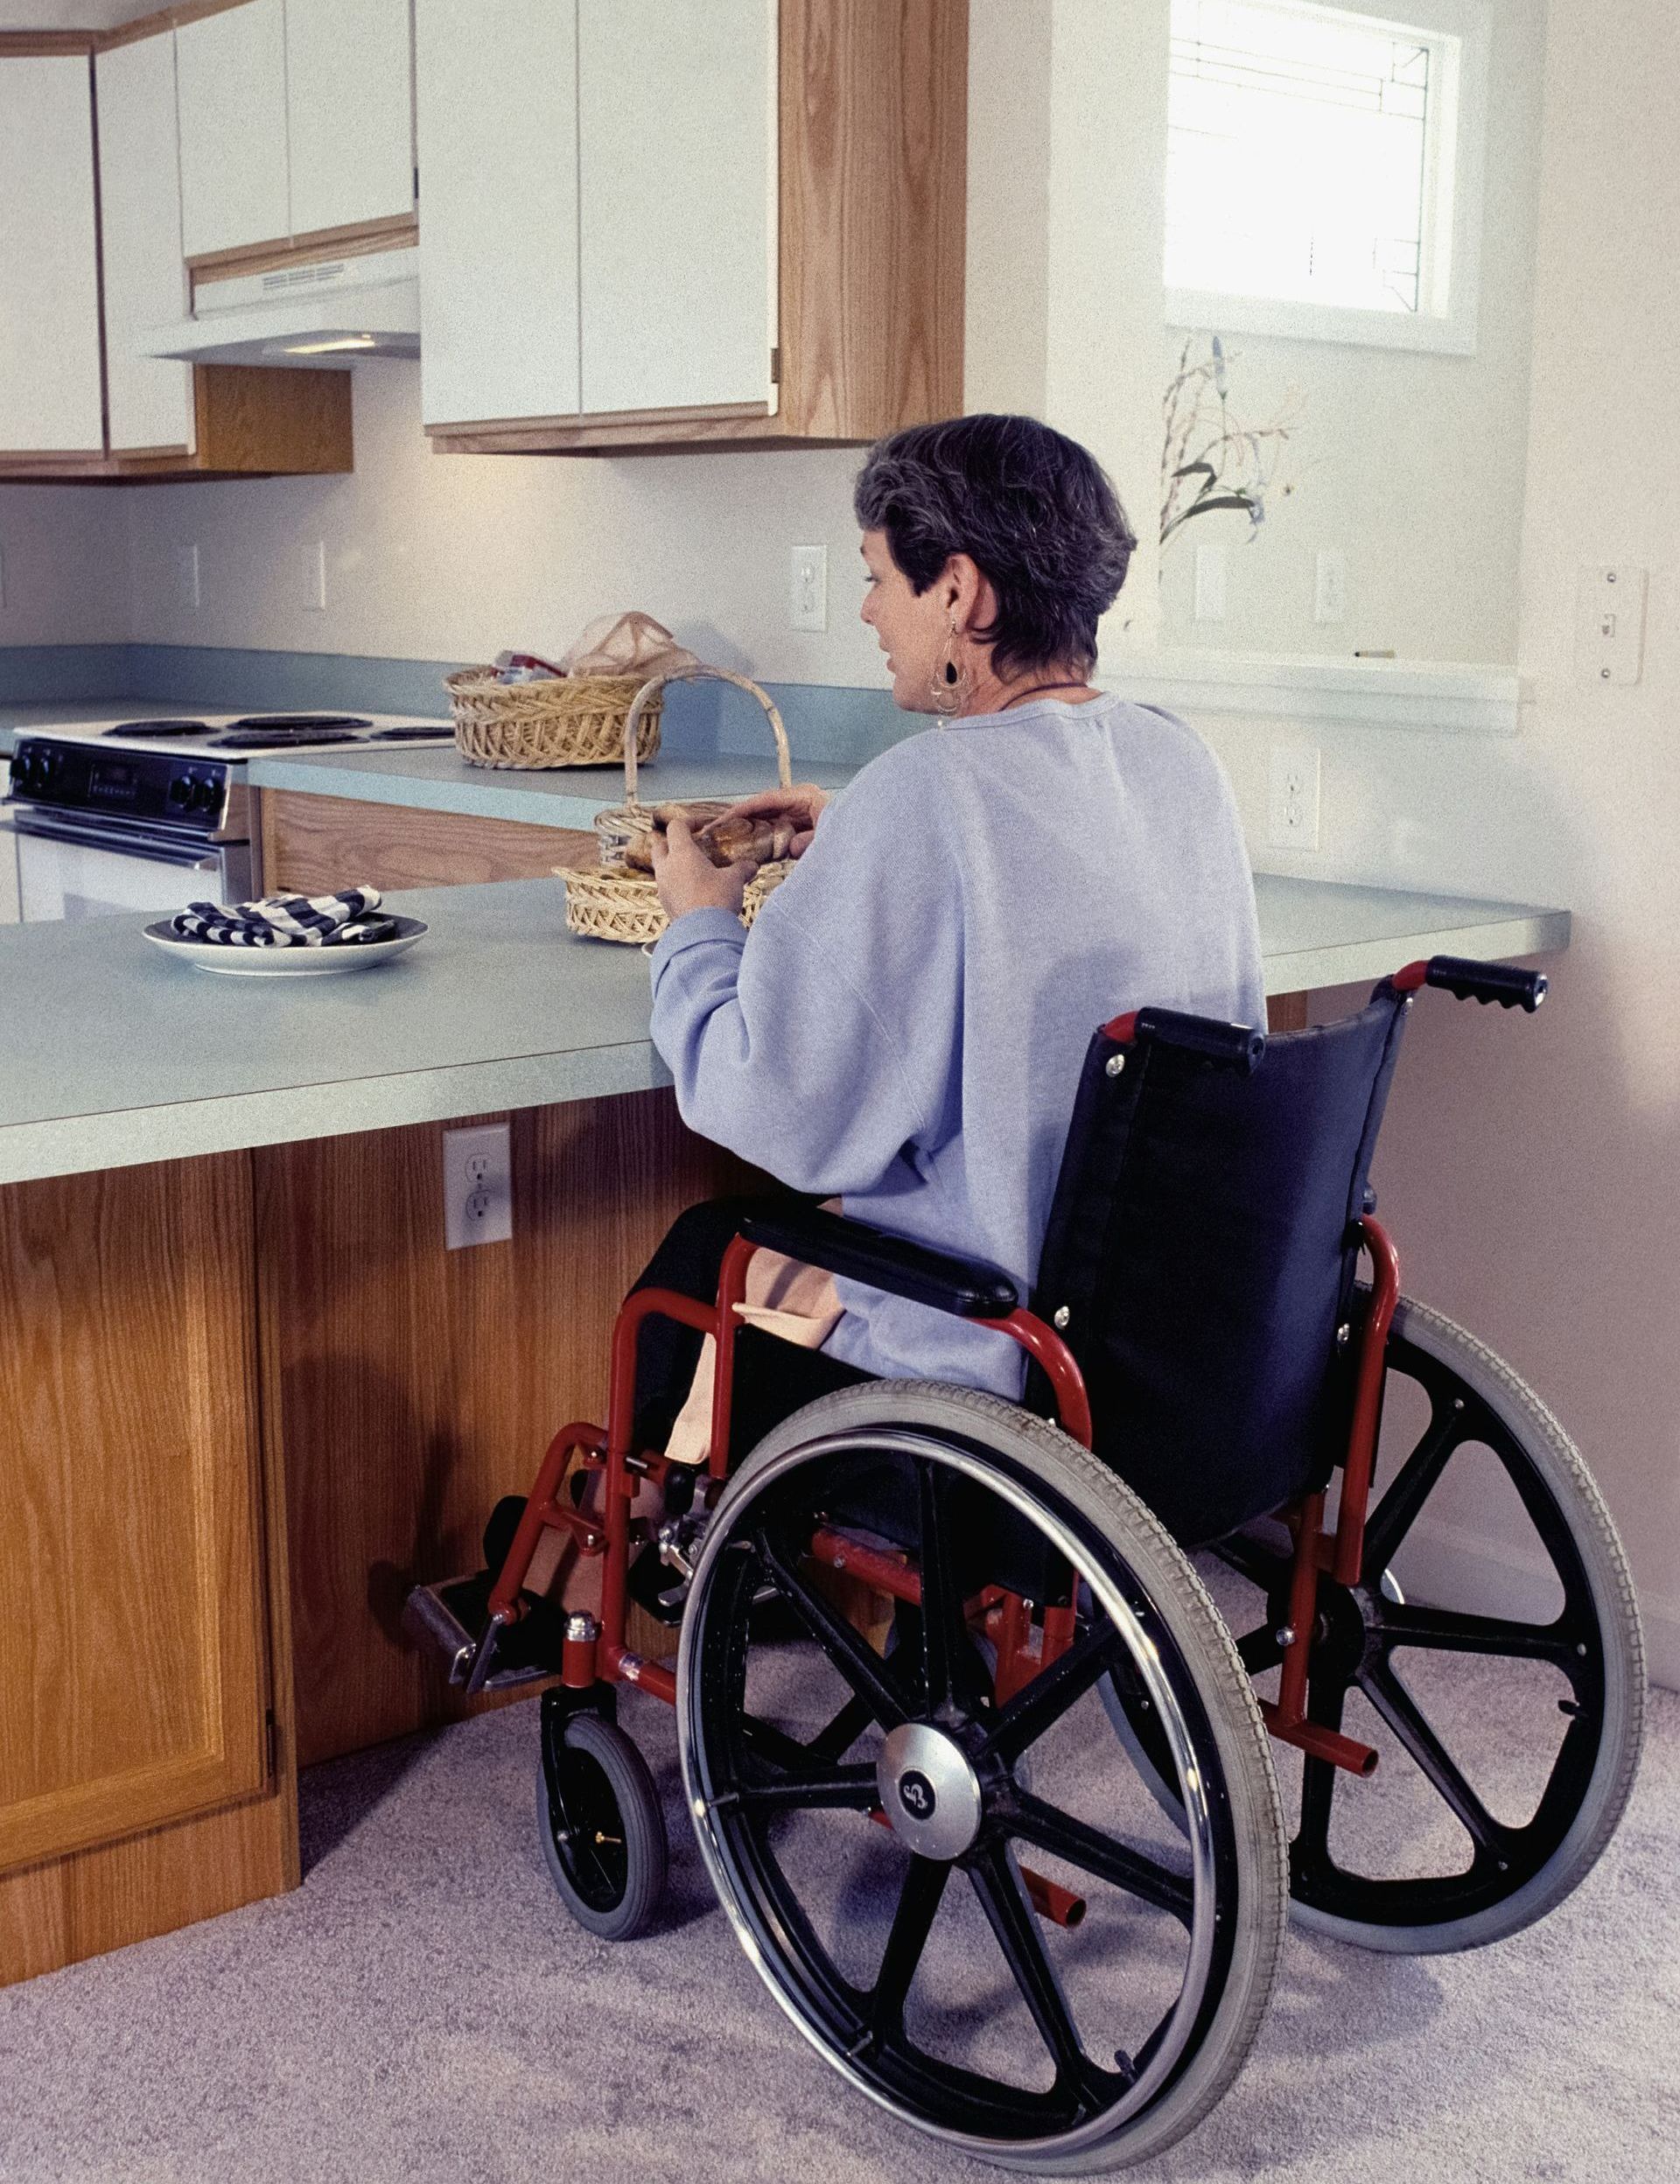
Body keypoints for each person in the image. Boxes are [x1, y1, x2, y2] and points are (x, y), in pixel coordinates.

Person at [620, 413, 1264, 1473]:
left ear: (958, 591)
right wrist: (869, 855)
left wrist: (695, 921)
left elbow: (778, 1106)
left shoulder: (926, 792)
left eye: (879, 577)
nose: (871, 610)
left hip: (992, 1360)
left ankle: (627, 1558)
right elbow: (1044, 896)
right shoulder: (1176, 760)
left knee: (701, 1255)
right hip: (1165, 1339)